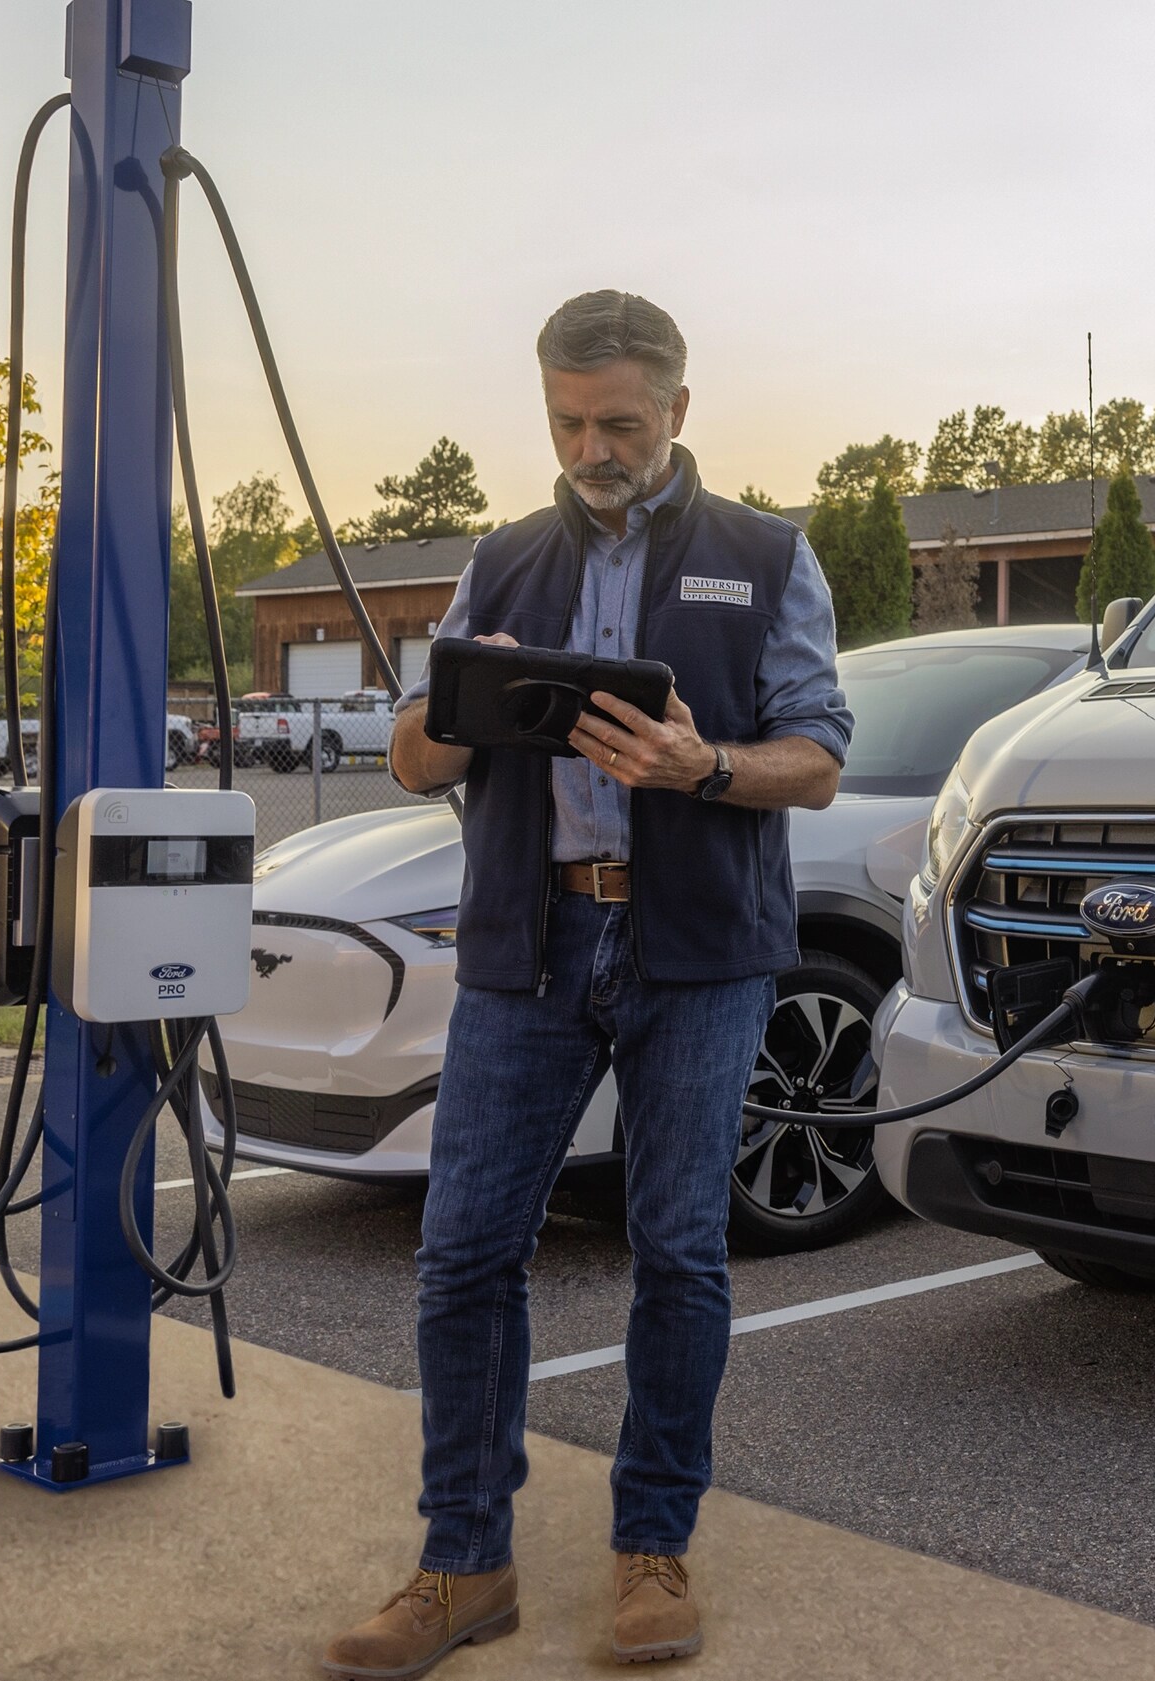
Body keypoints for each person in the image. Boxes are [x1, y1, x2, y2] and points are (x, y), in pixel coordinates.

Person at [327, 290, 850, 1677]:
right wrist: (459, 705)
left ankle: (651, 1546)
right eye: (567, 421)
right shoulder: (497, 564)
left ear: (679, 409)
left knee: (677, 1253)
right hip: (528, 947)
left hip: (699, 952)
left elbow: (821, 755)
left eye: (620, 421)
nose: (592, 447)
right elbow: (409, 758)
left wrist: (707, 768)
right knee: (464, 1254)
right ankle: (463, 1562)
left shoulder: (767, 556)